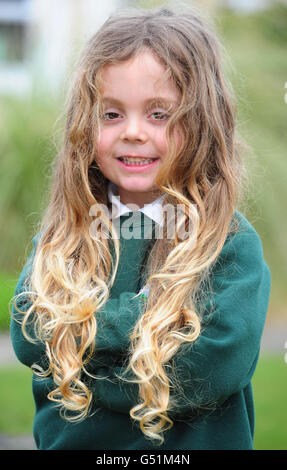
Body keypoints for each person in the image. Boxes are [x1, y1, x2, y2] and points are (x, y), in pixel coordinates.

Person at [10, 6, 271, 450]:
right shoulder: (65, 238)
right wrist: (154, 322)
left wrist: (77, 350)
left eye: (159, 114)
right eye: (111, 115)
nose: (133, 132)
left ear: (203, 123)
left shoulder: (228, 245)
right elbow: (30, 336)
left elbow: (209, 370)